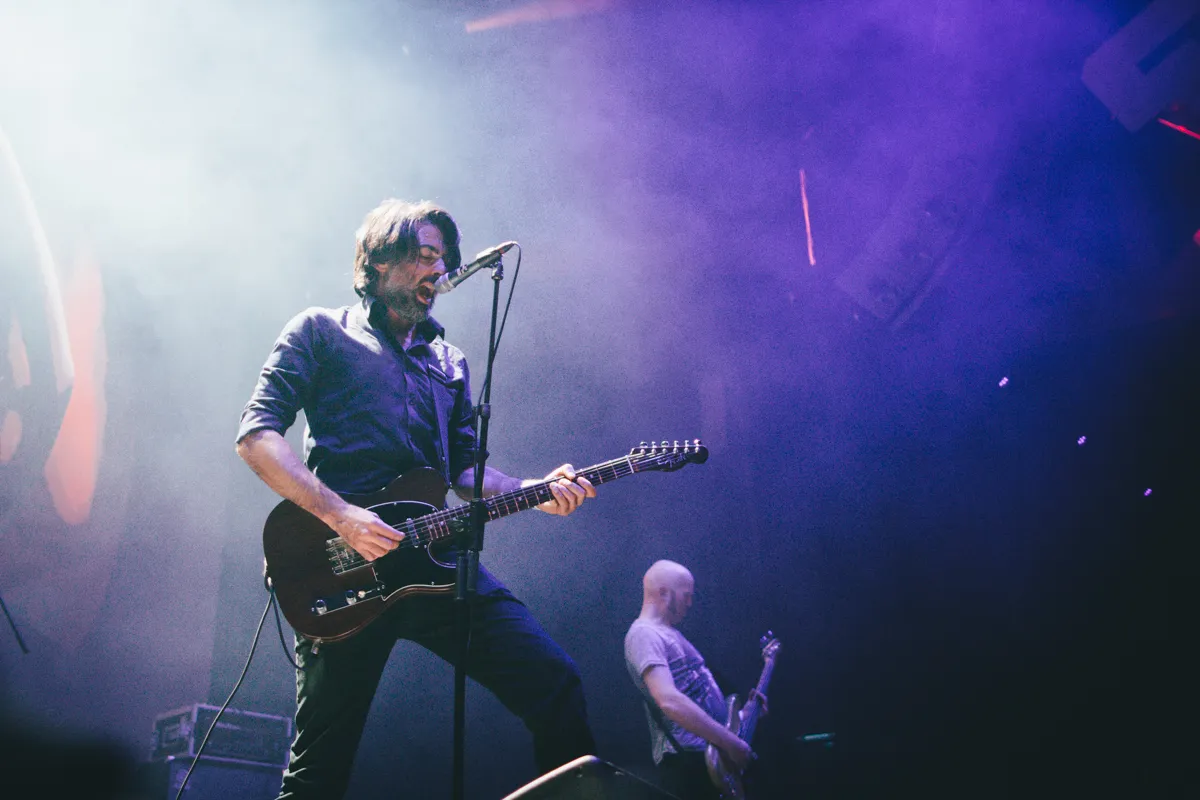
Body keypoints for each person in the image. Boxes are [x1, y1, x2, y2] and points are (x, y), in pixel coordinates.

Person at [235, 198, 598, 799]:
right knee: (318, 773)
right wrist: (342, 516)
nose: (439, 270)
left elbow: (466, 474)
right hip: (341, 570)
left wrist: (534, 491)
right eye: (425, 256)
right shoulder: (321, 332)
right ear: (379, 261)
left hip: (434, 565)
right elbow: (257, 437)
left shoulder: (448, 363)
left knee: (553, 681)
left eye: (443, 259)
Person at [624, 560, 757, 800]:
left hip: (708, 757)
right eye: (686, 595)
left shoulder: (669, 633)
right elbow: (668, 700)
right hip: (687, 763)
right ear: (663, 592)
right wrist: (730, 742)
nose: (690, 603)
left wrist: (744, 715)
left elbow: (697, 698)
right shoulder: (644, 634)